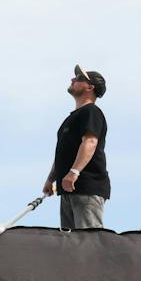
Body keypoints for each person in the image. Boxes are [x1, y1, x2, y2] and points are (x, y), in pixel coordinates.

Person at [44, 65, 110, 229]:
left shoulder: (92, 112)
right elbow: (63, 152)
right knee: (70, 245)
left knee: (88, 241)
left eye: (79, 78)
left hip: (86, 187)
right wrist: (51, 179)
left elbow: (90, 142)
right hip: (67, 189)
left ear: (90, 87)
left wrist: (74, 173)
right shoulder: (71, 119)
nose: (73, 79)